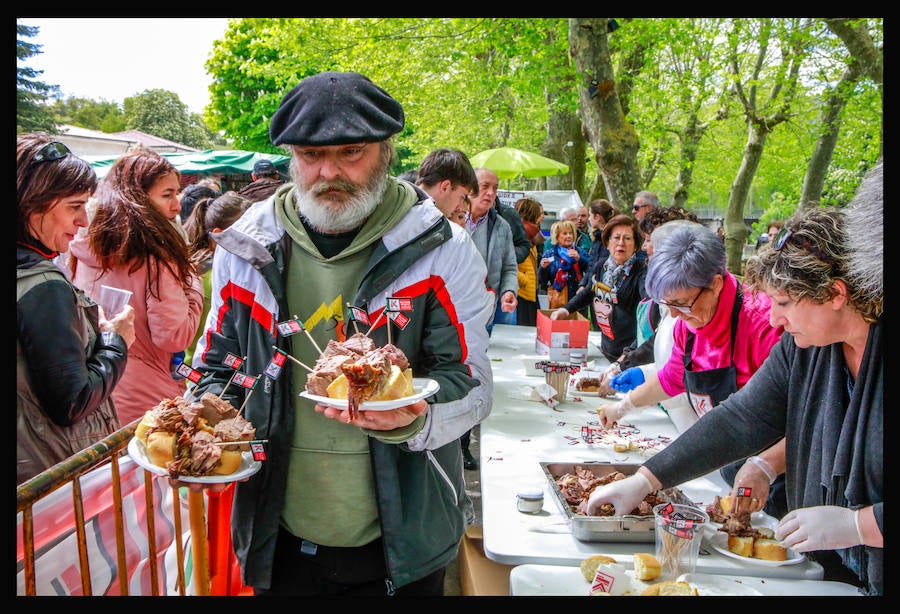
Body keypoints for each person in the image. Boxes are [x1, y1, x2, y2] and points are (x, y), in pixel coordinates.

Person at [188, 71, 495, 596]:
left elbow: (473, 382)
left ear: (386, 152)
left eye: (351, 151)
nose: (328, 171)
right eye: (309, 155)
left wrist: (412, 421)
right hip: (276, 534)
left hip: (405, 537)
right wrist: (200, 419)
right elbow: (217, 366)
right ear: (290, 156)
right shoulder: (247, 247)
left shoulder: (443, 248)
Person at [586, 205, 883, 595]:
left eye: (785, 303)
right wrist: (645, 480)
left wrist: (860, 525)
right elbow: (739, 418)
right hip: (833, 569)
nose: (776, 319)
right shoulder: (807, 348)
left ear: (835, 294)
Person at [595, 221, 787, 517]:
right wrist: (624, 407)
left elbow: (794, 420)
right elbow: (672, 379)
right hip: (727, 461)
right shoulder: (689, 321)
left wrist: (765, 465)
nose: (673, 314)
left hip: (779, 479)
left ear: (716, 285)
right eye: (666, 304)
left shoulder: (767, 326)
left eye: (682, 304)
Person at [16, 134, 135, 485]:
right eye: (73, 206)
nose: (83, 220)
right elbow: (72, 401)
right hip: (48, 480)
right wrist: (116, 341)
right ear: (31, 206)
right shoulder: (43, 285)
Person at [68, 148, 204, 426]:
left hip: (96, 387)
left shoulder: (82, 247)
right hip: (146, 398)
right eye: (167, 195)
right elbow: (173, 336)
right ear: (137, 199)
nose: (177, 206)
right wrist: (192, 282)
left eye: (177, 194)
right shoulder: (156, 259)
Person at [415, 148, 482, 471]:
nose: (462, 207)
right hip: (418, 389)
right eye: (462, 196)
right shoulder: (442, 237)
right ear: (444, 186)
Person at [596, 206, 699, 397]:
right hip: (662, 391)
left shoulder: (690, 293)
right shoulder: (662, 284)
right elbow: (655, 338)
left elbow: (668, 348)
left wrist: (625, 365)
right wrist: (621, 363)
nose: (644, 246)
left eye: (649, 240)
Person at [550, 214, 645, 362]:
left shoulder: (641, 273)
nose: (621, 243)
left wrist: (627, 357)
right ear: (607, 242)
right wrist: (566, 309)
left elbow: (645, 321)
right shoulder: (602, 266)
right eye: (616, 238)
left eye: (627, 238)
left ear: (636, 245)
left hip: (629, 356)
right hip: (606, 349)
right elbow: (589, 291)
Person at [183, 191, 252, 366]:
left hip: (197, 367)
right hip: (215, 370)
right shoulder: (214, 275)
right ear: (219, 234)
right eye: (247, 233)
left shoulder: (194, 265)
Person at [468, 167, 519, 334]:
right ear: (470, 187)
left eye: (495, 188)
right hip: (454, 312)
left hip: (487, 309)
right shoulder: (451, 220)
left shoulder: (502, 226)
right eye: (485, 186)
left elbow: (510, 268)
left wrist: (508, 291)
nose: (490, 193)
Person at [539, 219, 589, 313]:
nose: (568, 236)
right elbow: (543, 281)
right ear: (557, 236)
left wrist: (580, 259)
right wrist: (543, 268)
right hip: (558, 298)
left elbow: (591, 270)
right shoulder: (550, 254)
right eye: (565, 233)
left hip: (577, 298)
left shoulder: (579, 252)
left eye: (570, 233)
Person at [415, 148, 479, 219]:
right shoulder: (423, 221)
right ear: (445, 187)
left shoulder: (404, 204)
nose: (460, 207)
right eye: (462, 197)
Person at [514, 197, 545, 327]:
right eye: (540, 213)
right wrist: (524, 279)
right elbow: (508, 262)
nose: (542, 216)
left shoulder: (530, 234)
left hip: (530, 291)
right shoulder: (518, 234)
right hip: (521, 292)